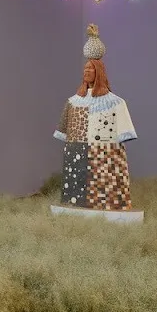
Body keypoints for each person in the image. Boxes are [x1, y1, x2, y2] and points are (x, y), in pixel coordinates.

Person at [53, 25, 137, 212]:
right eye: (84, 69)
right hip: (77, 153)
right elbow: (64, 131)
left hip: (106, 155)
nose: (86, 72)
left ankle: (109, 204)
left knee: (106, 186)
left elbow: (125, 131)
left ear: (99, 72)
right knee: (77, 187)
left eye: (90, 69)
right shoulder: (73, 102)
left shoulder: (116, 102)